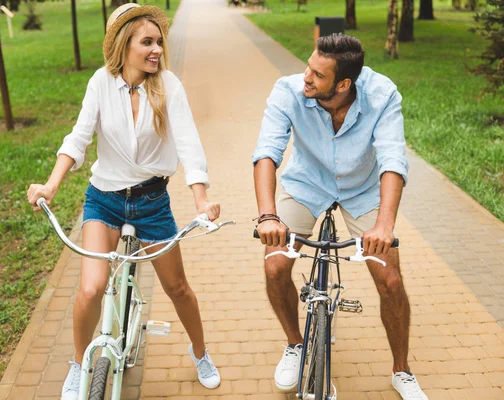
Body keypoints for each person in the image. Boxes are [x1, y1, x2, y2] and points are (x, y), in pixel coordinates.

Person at [27, 4, 221, 399]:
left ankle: (200, 353)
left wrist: (201, 200)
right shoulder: (101, 83)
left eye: (159, 42)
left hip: (152, 203)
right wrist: (51, 185)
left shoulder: (168, 86)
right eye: (146, 42)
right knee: (90, 288)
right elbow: (78, 138)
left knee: (178, 287)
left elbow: (188, 144)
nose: (156, 50)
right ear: (123, 45)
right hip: (105, 201)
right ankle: (80, 364)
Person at [252, 34, 428, 400]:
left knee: (391, 280)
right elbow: (267, 152)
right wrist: (268, 215)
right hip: (306, 182)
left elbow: (393, 158)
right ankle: (294, 344)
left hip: (362, 188)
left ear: (344, 83)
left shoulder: (382, 94)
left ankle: (402, 369)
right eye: (308, 66)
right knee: (274, 266)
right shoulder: (288, 91)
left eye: (317, 74)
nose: (306, 77)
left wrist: (384, 225)